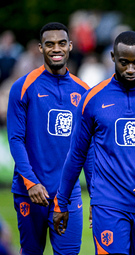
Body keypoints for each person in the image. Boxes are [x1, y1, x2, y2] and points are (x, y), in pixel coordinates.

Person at [53, 31, 135, 255]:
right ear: (113, 57)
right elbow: (77, 154)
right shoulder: (93, 99)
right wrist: (61, 203)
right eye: (124, 63)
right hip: (107, 203)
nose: (130, 69)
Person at [7, 22, 90, 255]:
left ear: (70, 46)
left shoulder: (85, 91)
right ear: (40, 48)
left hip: (68, 195)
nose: (56, 49)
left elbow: (89, 150)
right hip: (30, 191)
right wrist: (31, 182)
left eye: (62, 43)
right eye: (50, 44)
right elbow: (15, 139)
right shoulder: (22, 87)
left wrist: (95, 195)